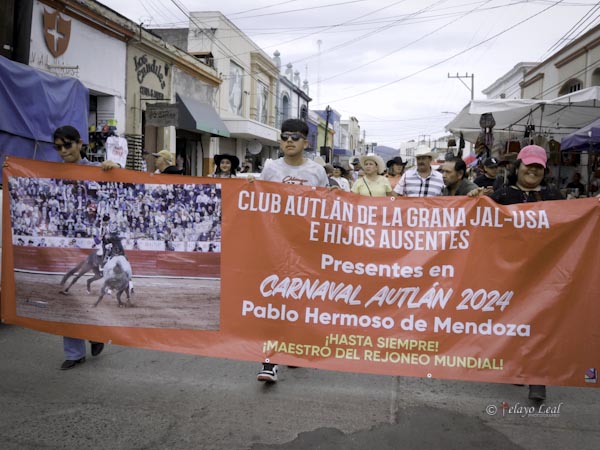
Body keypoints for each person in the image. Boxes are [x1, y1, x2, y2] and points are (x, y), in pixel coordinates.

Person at [253, 118, 328, 382]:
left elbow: (328, 208)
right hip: (275, 246)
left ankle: (294, 348)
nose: (289, 141)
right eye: (284, 137)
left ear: (306, 143)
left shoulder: (316, 172)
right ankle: (269, 361)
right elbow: (258, 202)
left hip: (305, 248)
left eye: (295, 137)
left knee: (299, 302)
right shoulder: (271, 168)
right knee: (275, 302)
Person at [488, 145, 563, 401]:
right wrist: (475, 198)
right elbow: (478, 222)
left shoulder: (555, 198)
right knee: (513, 323)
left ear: (544, 171)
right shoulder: (502, 196)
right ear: (517, 167)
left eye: (538, 167)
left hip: (544, 274)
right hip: (509, 274)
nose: (532, 170)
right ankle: (516, 366)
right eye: (528, 165)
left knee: (539, 325)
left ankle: (537, 378)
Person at [53, 125, 119, 370]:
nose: (63, 151)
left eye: (67, 145)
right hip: (68, 243)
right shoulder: (50, 171)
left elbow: (119, 183)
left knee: (90, 291)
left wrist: (114, 169)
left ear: (80, 144)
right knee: (70, 296)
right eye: (58, 147)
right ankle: (74, 352)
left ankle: (95, 333)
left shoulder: (96, 169)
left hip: (94, 243)